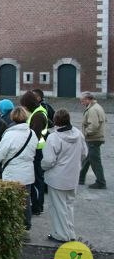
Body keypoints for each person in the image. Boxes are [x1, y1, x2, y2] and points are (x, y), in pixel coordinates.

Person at [42, 109, 88, 243]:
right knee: (69, 206)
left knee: (58, 208)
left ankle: (60, 234)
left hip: (57, 178)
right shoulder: (78, 134)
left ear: (55, 121)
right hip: (73, 176)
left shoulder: (54, 138)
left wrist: (42, 167)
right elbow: (84, 153)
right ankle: (70, 232)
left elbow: (48, 161)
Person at [0, 106, 37, 230]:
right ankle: (26, 227)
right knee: (25, 202)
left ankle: (11, 228)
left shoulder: (9, 134)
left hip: (11, 174)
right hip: (27, 173)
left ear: (12, 117)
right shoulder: (32, 134)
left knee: (10, 202)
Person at [21, 90, 49, 215]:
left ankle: (37, 206)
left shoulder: (38, 115)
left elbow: (34, 136)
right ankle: (37, 204)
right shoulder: (38, 112)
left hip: (36, 151)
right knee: (36, 178)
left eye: (25, 105)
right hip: (36, 150)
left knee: (37, 180)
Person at [79, 92, 107, 189]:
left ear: (88, 99)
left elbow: (94, 126)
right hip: (95, 138)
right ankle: (80, 178)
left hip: (93, 139)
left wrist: (85, 133)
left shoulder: (93, 110)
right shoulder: (96, 107)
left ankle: (101, 182)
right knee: (88, 158)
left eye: (82, 101)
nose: (81, 103)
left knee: (95, 161)